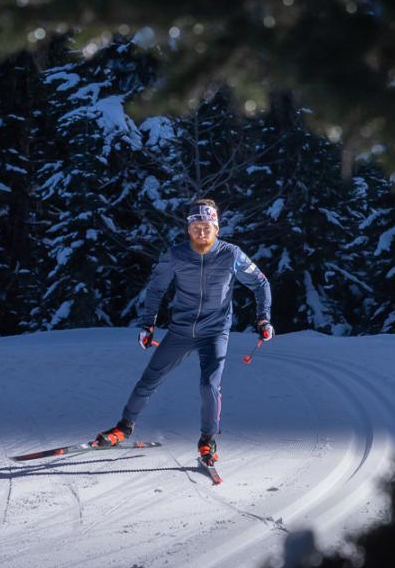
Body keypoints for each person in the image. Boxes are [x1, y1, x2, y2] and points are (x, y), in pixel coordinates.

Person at [95, 197, 273, 465]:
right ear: (188, 229)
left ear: (217, 229)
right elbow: (156, 288)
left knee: (209, 385)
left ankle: (207, 441)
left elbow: (260, 283)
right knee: (149, 380)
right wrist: (148, 323)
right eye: (196, 226)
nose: (201, 231)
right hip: (181, 331)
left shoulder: (231, 254)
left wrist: (263, 320)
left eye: (207, 226)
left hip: (215, 332)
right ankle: (123, 428)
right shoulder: (175, 255)